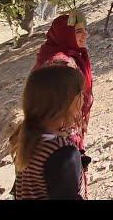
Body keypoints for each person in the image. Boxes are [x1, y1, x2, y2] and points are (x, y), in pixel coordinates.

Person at [9, 65, 89, 200]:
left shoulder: (27, 138)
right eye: (80, 93)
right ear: (66, 102)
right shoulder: (62, 152)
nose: (83, 98)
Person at [33, 10, 93, 151]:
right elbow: (55, 107)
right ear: (64, 34)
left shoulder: (62, 56)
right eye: (78, 31)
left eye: (85, 30)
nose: (85, 35)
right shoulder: (61, 64)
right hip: (58, 138)